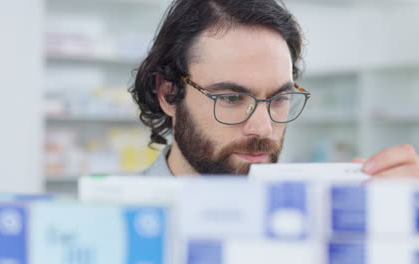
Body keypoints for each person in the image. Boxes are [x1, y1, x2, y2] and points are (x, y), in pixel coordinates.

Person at [129, 0, 419, 177]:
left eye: (279, 98)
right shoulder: (105, 222)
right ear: (168, 94)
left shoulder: (316, 217)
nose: (264, 128)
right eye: (231, 98)